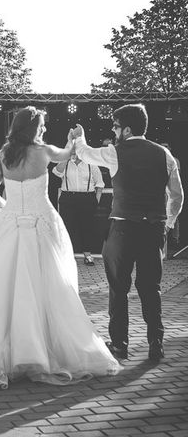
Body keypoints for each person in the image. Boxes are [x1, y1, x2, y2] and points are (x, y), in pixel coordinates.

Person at [0, 106, 121, 388]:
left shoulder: (4, 154)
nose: (43, 129)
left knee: (0, 286)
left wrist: (11, 211)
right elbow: (71, 154)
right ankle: (39, 349)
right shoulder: (45, 151)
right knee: (49, 287)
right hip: (43, 224)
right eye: (41, 125)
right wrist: (75, 137)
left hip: (13, 226)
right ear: (33, 128)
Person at [72, 104, 184, 362]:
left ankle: (120, 345)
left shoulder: (114, 153)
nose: (113, 130)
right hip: (153, 229)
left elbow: (85, 153)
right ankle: (156, 343)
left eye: (115, 125)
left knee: (118, 288)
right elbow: (177, 196)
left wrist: (79, 135)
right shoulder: (164, 154)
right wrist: (167, 224)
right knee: (150, 287)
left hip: (122, 229)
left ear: (127, 128)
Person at [52, 148, 104, 265]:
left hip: (87, 198)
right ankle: (66, 255)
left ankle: (88, 255)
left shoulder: (91, 165)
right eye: (73, 151)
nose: (75, 153)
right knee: (67, 227)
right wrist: (66, 157)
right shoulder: (65, 164)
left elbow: (99, 184)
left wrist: (96, 201)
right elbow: (56, 172)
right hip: (68, 197)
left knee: (87, 227)